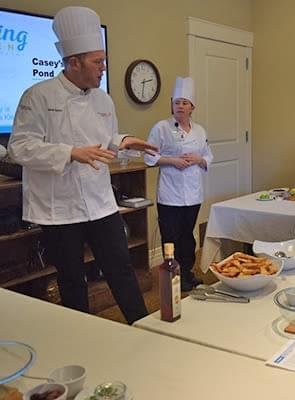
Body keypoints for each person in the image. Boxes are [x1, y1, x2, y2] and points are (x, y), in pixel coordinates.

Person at [8, 6, 156, 324]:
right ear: (73, 63)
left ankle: (144, 329)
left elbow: (103, 139)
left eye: (103, 60)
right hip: (58, 209)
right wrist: (70, 152)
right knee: (72, 281)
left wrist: (122, 140)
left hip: (100, 202)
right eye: (97, 62)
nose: (104, 68)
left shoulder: (104, 99)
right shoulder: (37, 96)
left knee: (121, 269)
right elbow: (19, 148)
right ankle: (84, 341)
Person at [144, 77, 213, 291]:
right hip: (170, 194)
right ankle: (172, 275)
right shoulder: (162, 128)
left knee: (187, 237)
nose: (180, 106)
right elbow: (149, 157)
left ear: (192, 107)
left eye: (184, 103)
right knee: (171, 237)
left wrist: (199, 160)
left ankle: (187, 273)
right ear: (172, 105)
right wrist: (173, 161)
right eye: (176, 102)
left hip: (193, 194)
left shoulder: (200, 130)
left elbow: (208, 156)